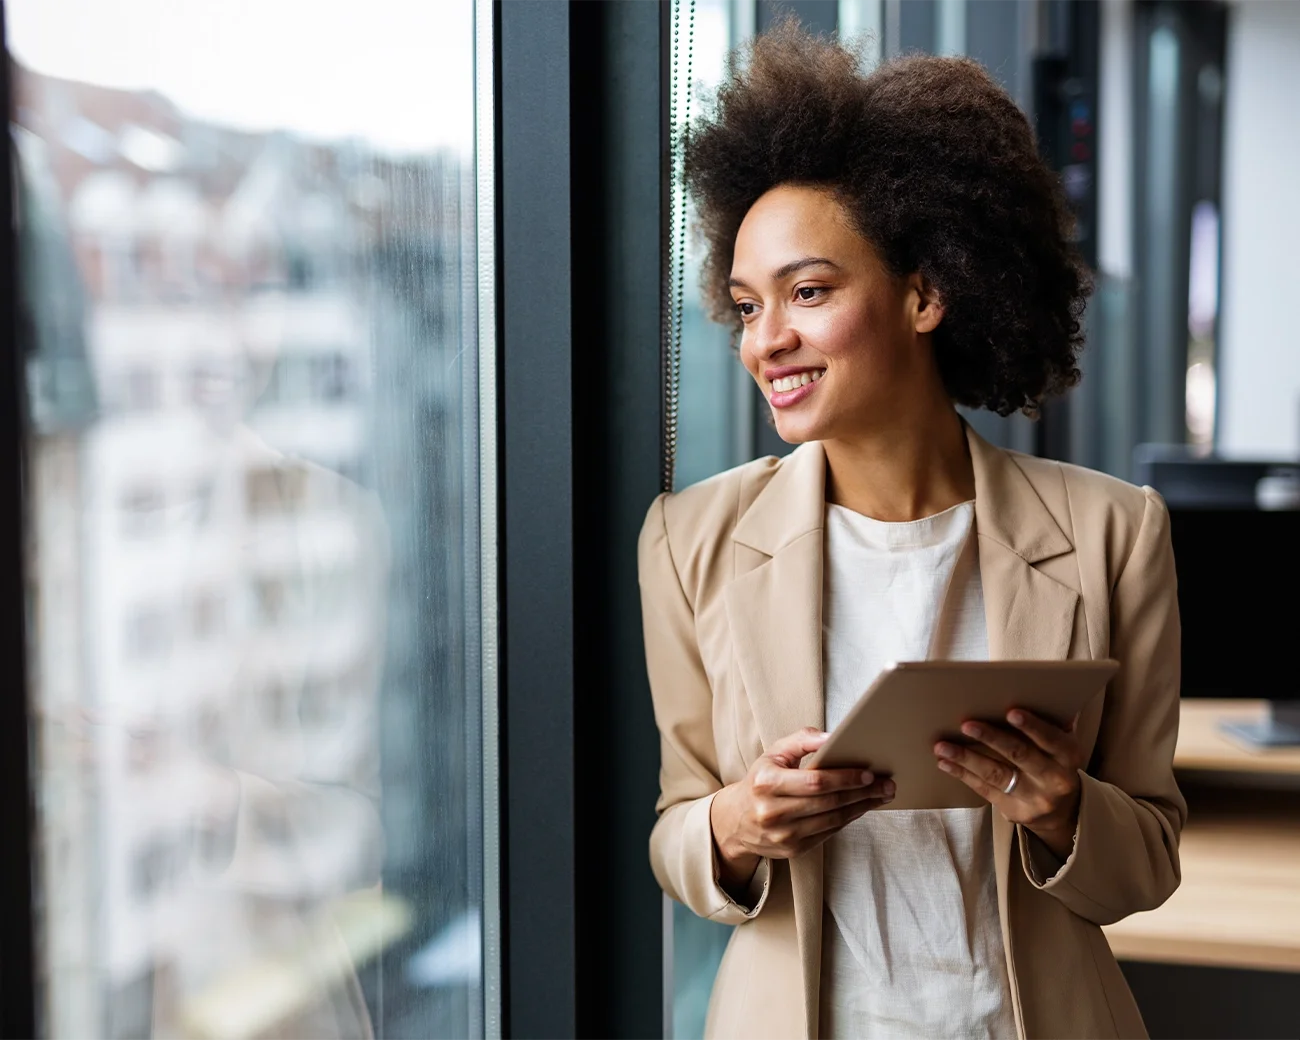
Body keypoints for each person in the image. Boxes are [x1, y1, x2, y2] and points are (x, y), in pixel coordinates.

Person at [639, 23, 1183, 1040]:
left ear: (925, 291)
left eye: (808, 291)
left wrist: (1065, 809)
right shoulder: (689, 540)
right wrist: (737, 822)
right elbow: (676, 830)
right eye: (747, 305)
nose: (767, 340)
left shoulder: (1113, 532)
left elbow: (1148, 856)